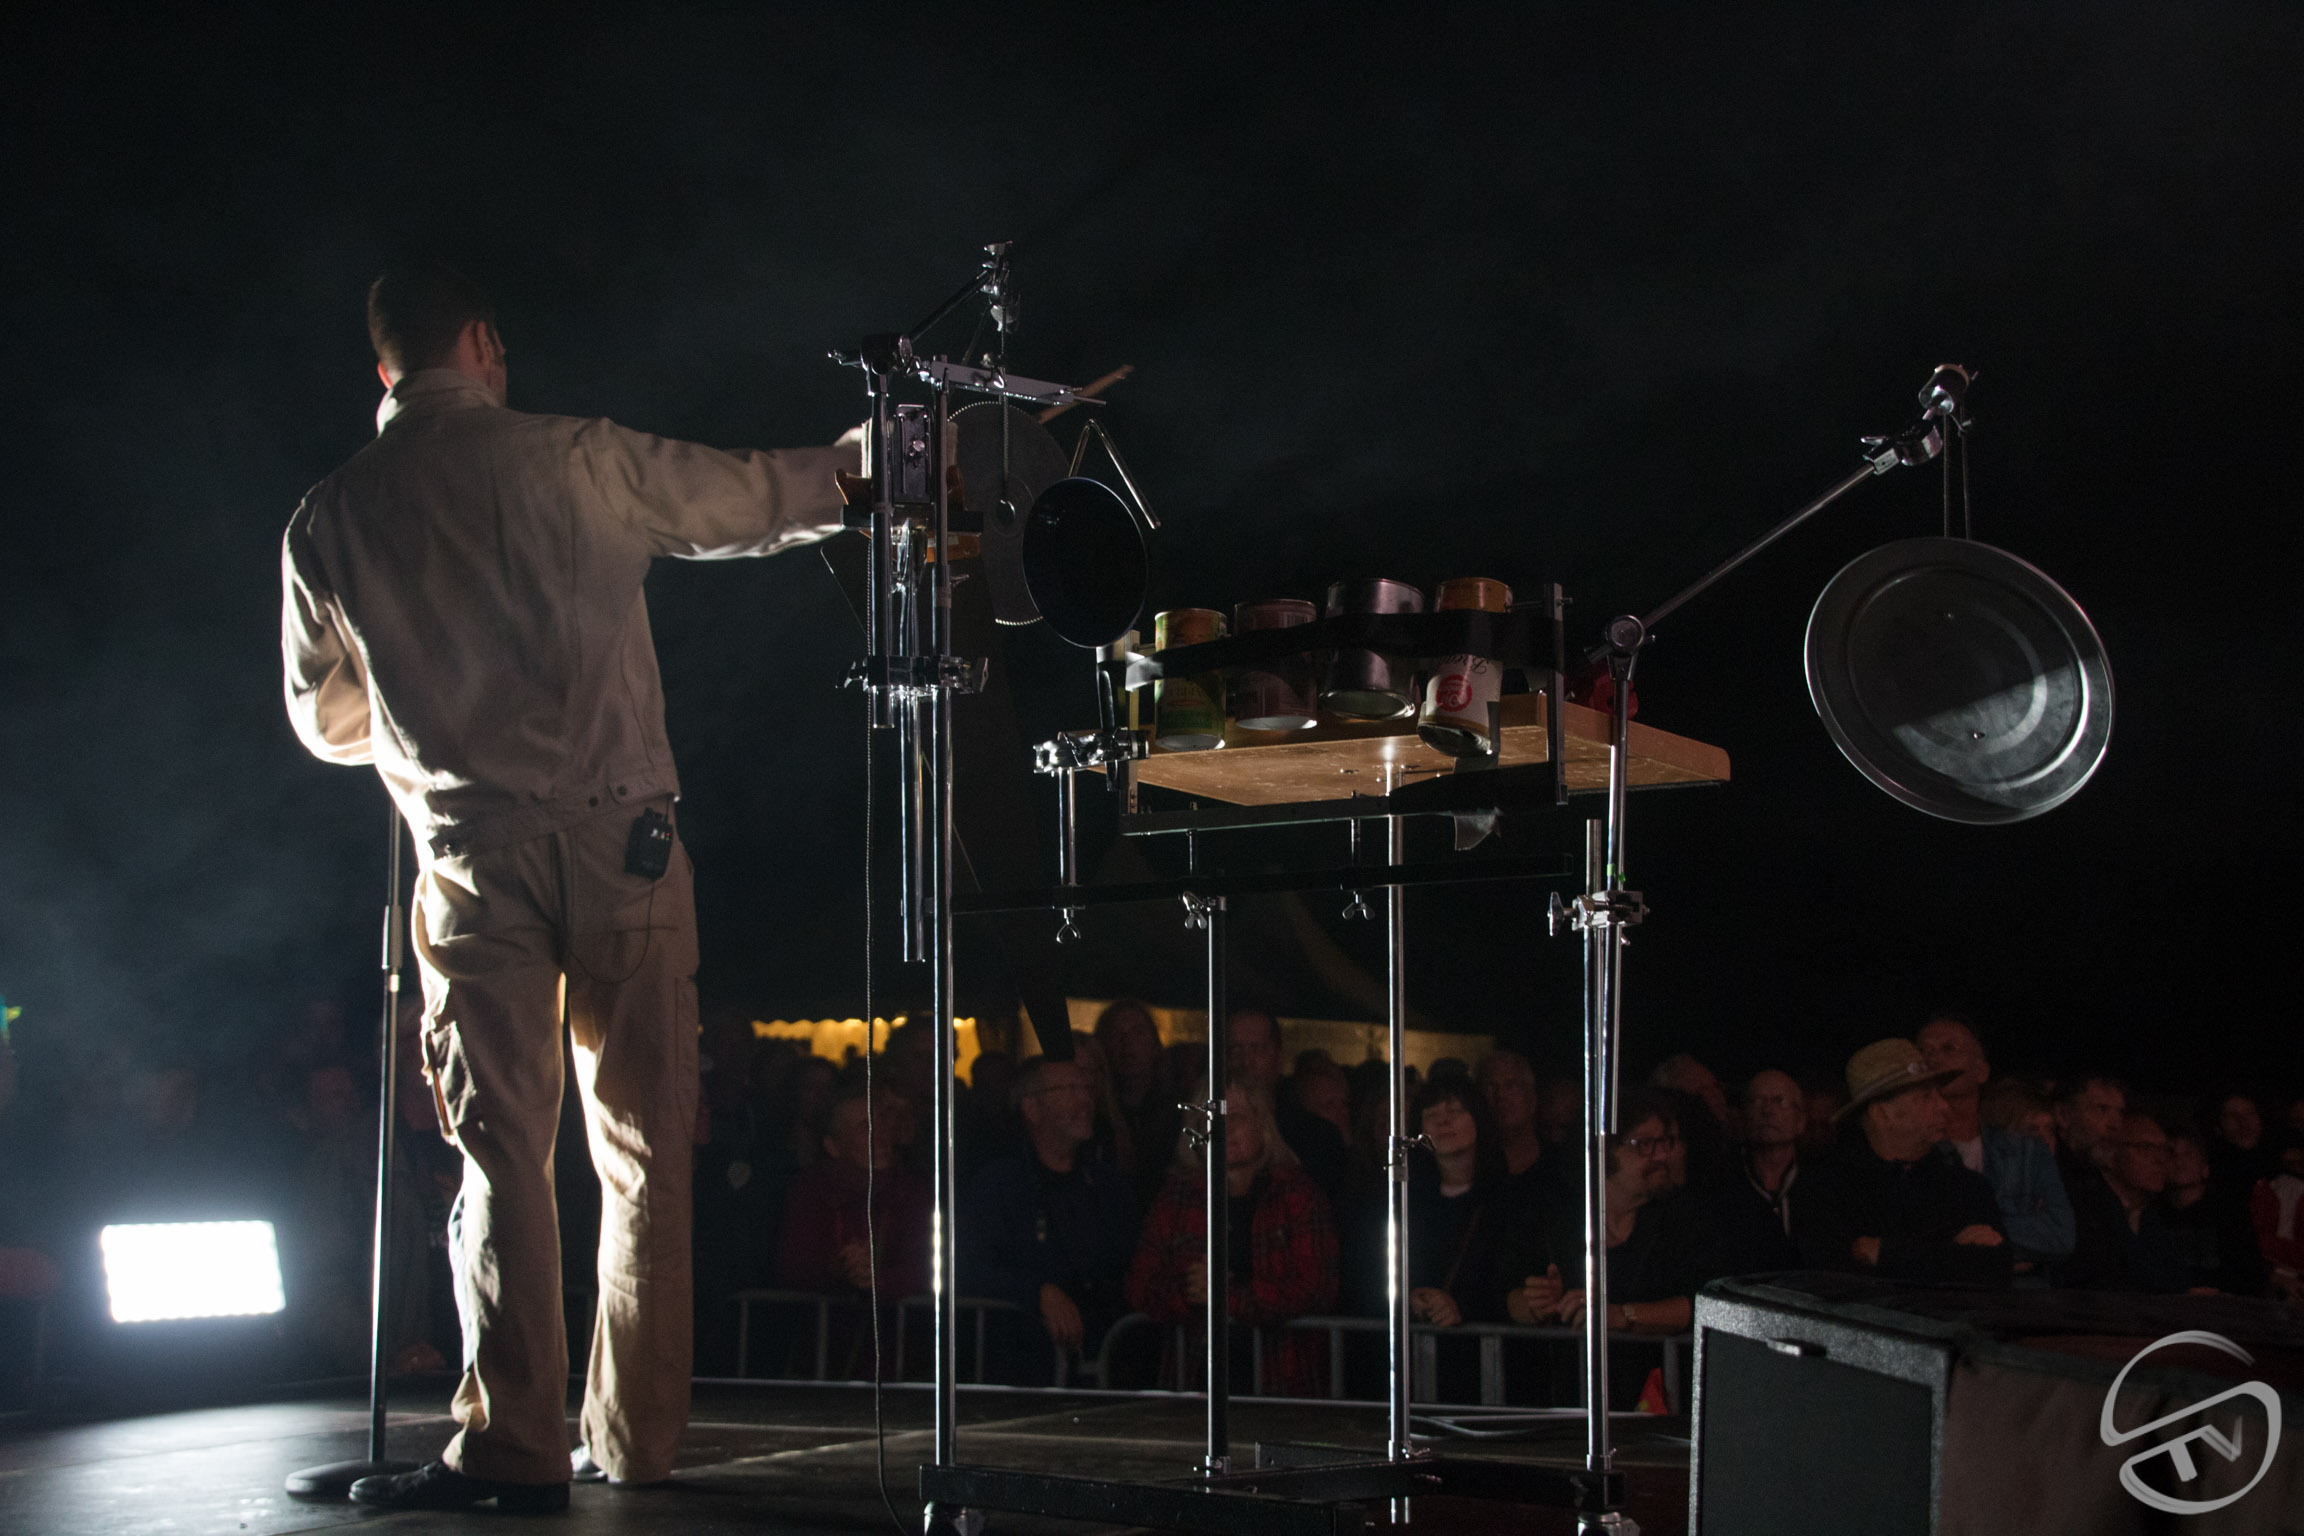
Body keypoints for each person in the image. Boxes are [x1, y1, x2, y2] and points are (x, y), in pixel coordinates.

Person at [284, 264, 858, 1509]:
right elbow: (752, 499)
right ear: (484, 342)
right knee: (645, 1151)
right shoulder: (576, 457)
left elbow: (323, 719)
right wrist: (878, 462)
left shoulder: (328, 518)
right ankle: (637, 1440)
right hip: (622, 842)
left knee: (502, 1157)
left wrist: (423, 717)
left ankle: (516, 1443)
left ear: (385, 370)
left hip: (470, 856)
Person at [1127, 1080, 1337, 1396]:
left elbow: (1316, 1289)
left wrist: (1229, 1297)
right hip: (1194, 1383)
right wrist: (1188, 1292)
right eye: (1211, 1118)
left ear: (1262, 1125)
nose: (1224, 1127)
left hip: (1282, 1382)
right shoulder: (1176, 1198)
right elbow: (1140, 1286)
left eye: (1236, 1117)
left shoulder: (1297, 1196)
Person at [958, 1058, 1140, 1384]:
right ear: (1032, 1108)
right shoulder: (998, 1185)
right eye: (1069, 1090)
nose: (1084, 1100)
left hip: (1108, 1370)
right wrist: (1037, 1293)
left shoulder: (1107, 1185)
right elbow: (968, 1267)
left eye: (1086, 1088)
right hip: (1020, 1373)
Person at [1796, 1040, 2011, 1287]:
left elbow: (1994, 1268)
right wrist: (1951, 1251)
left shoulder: (1966, 1186)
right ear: (1881, 1114)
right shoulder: (1828, 1188)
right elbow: (1835, 1279)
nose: (1944, 1106)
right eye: (1925, 1097)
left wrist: (1884, 1252)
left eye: (1939, 1095)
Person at [1916, 1016, 2073, 1283]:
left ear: (1981, 1071)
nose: (1932, 1059)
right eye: (1923, 1051)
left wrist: (1967, 1239)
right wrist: (2008, 1250)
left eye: (1949, 1048)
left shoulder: (2027, 1150)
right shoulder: (1915, 1150)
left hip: (2017, 1302)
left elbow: (2061, 1236)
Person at [1228, 1009, 1349, 1206]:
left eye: (1257, 1049)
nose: (1246, 1062)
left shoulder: (1318, 1138)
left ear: (1277, 1058)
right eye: (1235, 1050)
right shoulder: (1208, 1133)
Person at [2061, 1112, 2190, 1293]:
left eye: (2165, 1150)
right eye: (2145, 1148)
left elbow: (2175, 1275)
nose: (2160, 1159)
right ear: (2111, 1154)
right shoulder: (2087, 1209)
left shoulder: (2150, 1213)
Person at [1718, 1069, 1805, 1270]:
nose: (1768, 1111)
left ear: (1801, 1120)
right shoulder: (1720, 1185)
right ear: (1742, 1116)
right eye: (1756, 1101)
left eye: (1780, 1101)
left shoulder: (1824, 1187)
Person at [2163, 1129, 2267, 1295]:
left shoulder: (2229, 1213)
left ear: (2205, 1168)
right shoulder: (2154, 1214)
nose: (2179, 1161)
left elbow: (2249, 1271)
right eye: (2171, 1153)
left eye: (2188, 1154)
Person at [1093, 1000, 1178, 1202]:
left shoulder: (1178, 1113)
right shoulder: (1091, 1115)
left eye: (1138, 1033)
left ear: (1155, 1044)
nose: (1127, 1043)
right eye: (1116, 1034)